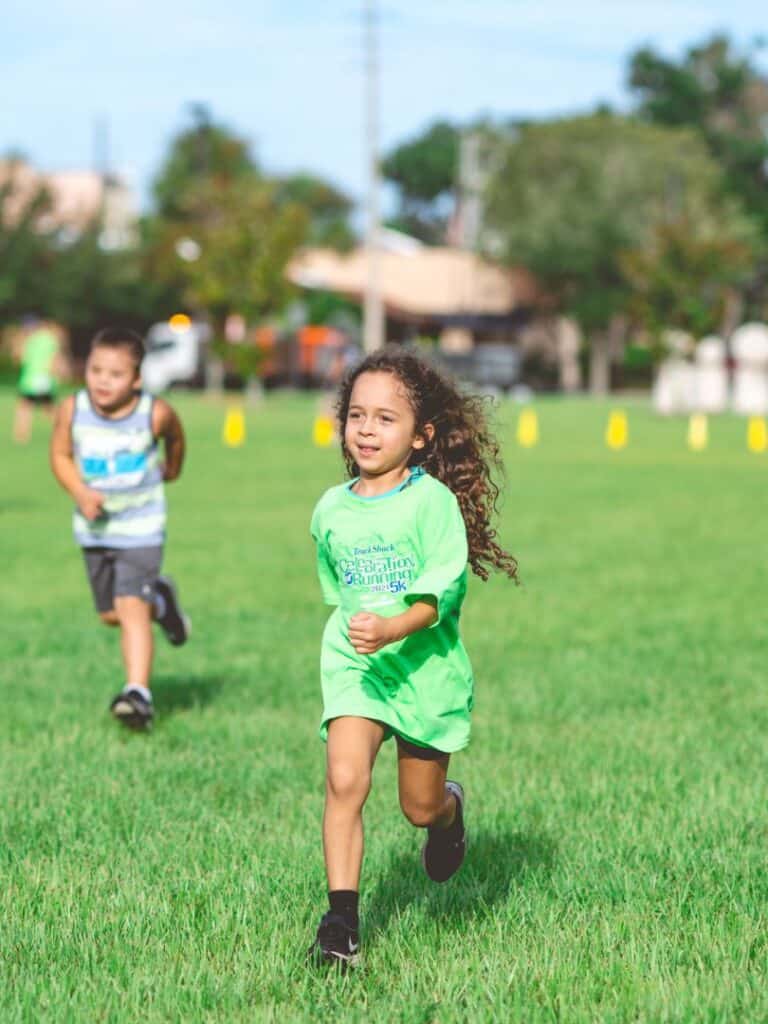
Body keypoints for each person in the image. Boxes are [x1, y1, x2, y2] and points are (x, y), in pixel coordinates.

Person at [307, 346, 518, 968]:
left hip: (424, 668)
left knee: (416, 807)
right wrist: (365, 634)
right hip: (358, 664)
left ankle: (448, 811)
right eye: (356, 415)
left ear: (421, 436)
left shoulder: (432, 505)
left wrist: (395, 626)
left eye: (385, 418)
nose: (367, 429)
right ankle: (341, 922)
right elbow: (338, 594)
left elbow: (440, 597)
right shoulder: (329, 510)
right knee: (345, 780)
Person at [49, 326, 190, 730]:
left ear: (136, 379)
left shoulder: (154, 413)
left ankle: (138, 694)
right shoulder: (73, 411)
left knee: (130, 609)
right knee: (112, 614)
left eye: (114, 374)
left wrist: (174, 467)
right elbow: (60, 456)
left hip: (142, 528)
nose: (102, 381)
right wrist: (79, 490)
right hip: (95, 531)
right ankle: (162, 601)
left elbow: (176, 437)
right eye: (95, 370)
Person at [13, 319, 68, 443]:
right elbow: (55, 359)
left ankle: (21, 436)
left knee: (25, 407)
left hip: (29, 380)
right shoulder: (50, 339)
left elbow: (20, 359)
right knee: (48, 408)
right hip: (45, 379)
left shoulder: (29, 340)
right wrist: (57, 375)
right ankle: (63, 432)